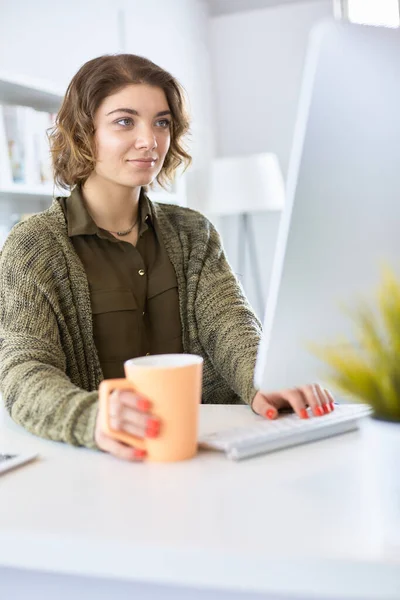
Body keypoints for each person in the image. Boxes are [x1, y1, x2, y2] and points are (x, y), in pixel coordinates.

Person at [0, 54, 334, 462]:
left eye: (161, 122)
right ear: (84, 133)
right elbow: (23, 371)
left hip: (203, 451)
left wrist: (263, 381)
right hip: (98, 463)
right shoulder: (34, 245)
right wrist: (93, 417)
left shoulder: (193, 232)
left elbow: (231, 325)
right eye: (126, 121)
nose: (150, 140)